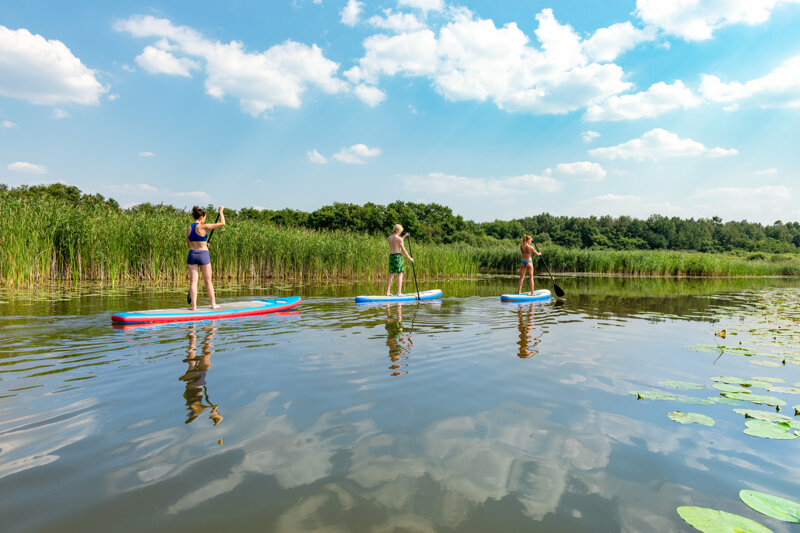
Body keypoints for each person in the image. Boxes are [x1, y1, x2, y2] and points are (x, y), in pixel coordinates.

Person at [187, 205, 226, 311]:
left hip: (192, 255)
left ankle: (194, 307)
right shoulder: (203, 226)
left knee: (193, 281)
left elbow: (189, 245)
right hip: (203, 255)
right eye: (205, 217)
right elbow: (222, 223)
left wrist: (203, 243)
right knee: (208, 281)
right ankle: (213, 304)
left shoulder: (189, 228)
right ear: (201, 217)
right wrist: (221, 211)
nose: (205, 220)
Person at [385, 224, 414, 296]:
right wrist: (410, 258)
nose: (401, 232)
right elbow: (404, 250)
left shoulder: (389, 238)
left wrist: (404, 236)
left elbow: (397, 241)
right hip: (398, 257)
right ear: (398, 230)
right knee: (400, 274)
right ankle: (399, 292)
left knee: (391, 274)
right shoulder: (399, 239)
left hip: (391, 256)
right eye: (401, 231)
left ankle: (387, 292)